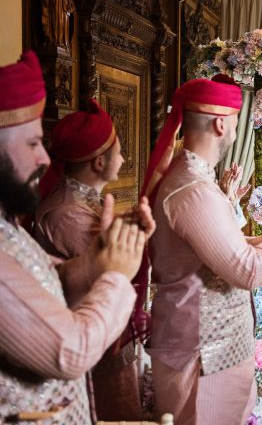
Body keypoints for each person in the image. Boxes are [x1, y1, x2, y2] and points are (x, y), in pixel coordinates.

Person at [144, 74, 262, 424]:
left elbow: (227, 249)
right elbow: (246, 270)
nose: (235, 128)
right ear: (220, 123)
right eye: (236, 119)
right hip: (201, 351)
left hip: (215, 349)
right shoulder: (192, 189)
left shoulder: (199, 180)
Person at [0, 51, 150, 423]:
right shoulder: (64, 211)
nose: (44, 160)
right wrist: (115, 275)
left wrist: (99, 257)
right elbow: (71, 351)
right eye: (32, 144)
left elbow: (46, 277)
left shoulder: (7, 224)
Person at [33, 99, 148, 419]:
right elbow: (110, 271)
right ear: (99, 162)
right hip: (90, 341)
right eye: (120, 152)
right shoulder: (66, 213)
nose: (124, 159)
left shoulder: (83, 203)